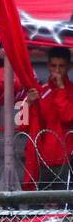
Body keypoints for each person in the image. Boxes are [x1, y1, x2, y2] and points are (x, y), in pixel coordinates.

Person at [23, 47, 73, 190]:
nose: (57, 70)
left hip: (66, 160)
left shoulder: (70, 91)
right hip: (41, 159)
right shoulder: (39, 90)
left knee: (66, 209)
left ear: (69, 67)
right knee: (37, 208)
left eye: (61, 66)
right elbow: (18, 122)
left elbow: (67, 117)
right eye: (53, 66)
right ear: (48, 66)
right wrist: (27, 103)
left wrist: (61, 89)